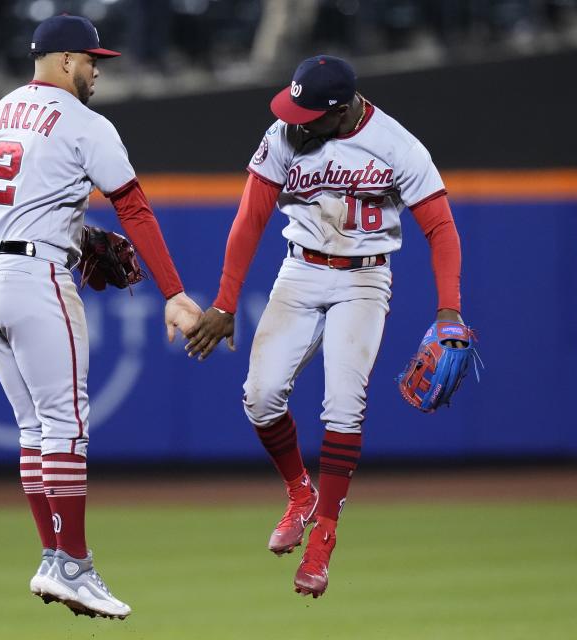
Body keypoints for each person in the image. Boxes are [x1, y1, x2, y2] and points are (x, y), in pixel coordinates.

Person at [184, 55, 464, 598]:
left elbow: (441, 228)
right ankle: (298, 491)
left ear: (342, 110)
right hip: (301, 270)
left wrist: (448, 309)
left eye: (309, 112)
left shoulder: (399, 146)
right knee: (260, 397)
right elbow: (250, 218)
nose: (296, 119)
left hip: (364, 279)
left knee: (343, 404)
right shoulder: (285, 136)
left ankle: (325, 538)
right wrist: (223, 302)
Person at [0, 15, 201, 619]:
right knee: (67, 424)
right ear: (66, 60)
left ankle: (53, 558)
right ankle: (73, 564)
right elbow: (136, 209)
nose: (98, 70)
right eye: (93, 60)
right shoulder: (84, 121)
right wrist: (172, 291)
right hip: (37, 280)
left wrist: (70, 231)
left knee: (33, 430)